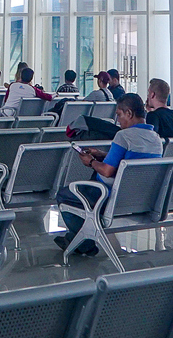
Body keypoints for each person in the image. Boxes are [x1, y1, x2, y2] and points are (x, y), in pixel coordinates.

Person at [55, 93, 162, 257]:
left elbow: (107, 171)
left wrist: (90, 161)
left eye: (119, 115)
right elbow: (129, 162)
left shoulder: (123, 136)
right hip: (141, 197)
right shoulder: (155, 139)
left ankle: (84, 243)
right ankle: (76, 240)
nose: (118, 120)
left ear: (129, 113)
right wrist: (101, 154)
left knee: (65, 194)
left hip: (111, 197)